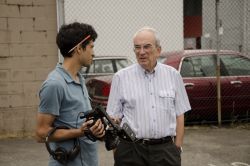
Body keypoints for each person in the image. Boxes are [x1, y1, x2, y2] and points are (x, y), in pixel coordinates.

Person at [106, 27, 191, 166]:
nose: (141, 52)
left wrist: (177, 148)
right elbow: (112, 119)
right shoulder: (120, 77)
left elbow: (179, 114)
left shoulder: (173, 75)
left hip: (165, 151)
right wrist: (118, 152)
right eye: (137, 48)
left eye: (147, 47)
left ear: (158, 50)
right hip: (131, 151)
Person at [35, 22, 105, 166]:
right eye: (91, 47)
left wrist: (99, 126)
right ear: (79, 48)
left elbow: (81, 123)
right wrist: (80, 132)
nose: (93, 53)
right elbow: (41, 133)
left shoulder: (79, 79)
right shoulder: (55, 84)